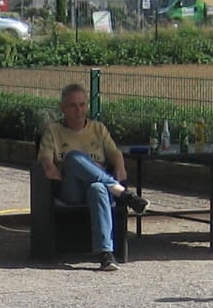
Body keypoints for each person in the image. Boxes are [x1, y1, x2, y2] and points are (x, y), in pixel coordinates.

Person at [37, 82, 142, 271]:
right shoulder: (53, 130)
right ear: (63, 108)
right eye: (73, 106)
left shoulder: (98, 129)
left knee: (98, 188)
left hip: (95, 187)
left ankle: (106, 254)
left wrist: (119, 166)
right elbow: (45, 158)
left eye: (82, 105)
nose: (79, 111)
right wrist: (49, 167)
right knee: (73, 158)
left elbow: (114, 153)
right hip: (71, 189)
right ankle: (122, 193)